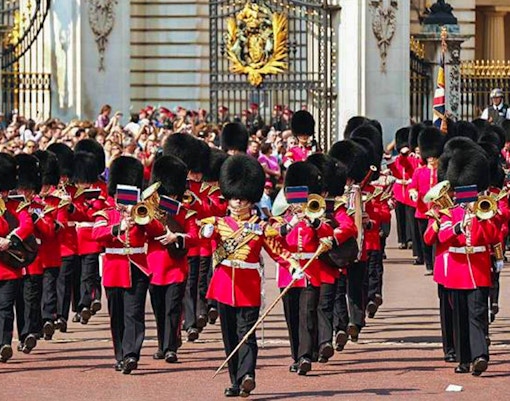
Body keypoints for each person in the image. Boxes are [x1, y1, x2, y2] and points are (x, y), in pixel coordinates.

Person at [201, 155, 300, 398]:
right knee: (229, 336)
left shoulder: (260, 227)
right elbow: (200, 235)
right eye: (234, 197)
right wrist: (206, 231)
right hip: (224, 286)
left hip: (248, 287)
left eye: (242, 198)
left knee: (247, 333)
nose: (237, 202)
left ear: (250, 199)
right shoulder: (218, 223)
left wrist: (294, 266)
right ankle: (235, 381)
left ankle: (248, 376)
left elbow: (278, 251)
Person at [92, 156, 159, 374]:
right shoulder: (106, 213)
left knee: (134, 313)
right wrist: (119, 227)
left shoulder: (141, 211)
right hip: (114, 268)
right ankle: (120, 354)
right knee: (117, 315)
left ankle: (132, 355)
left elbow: (157, 231)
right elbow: (97, 233)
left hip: (137, 267)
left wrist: (146, 218)